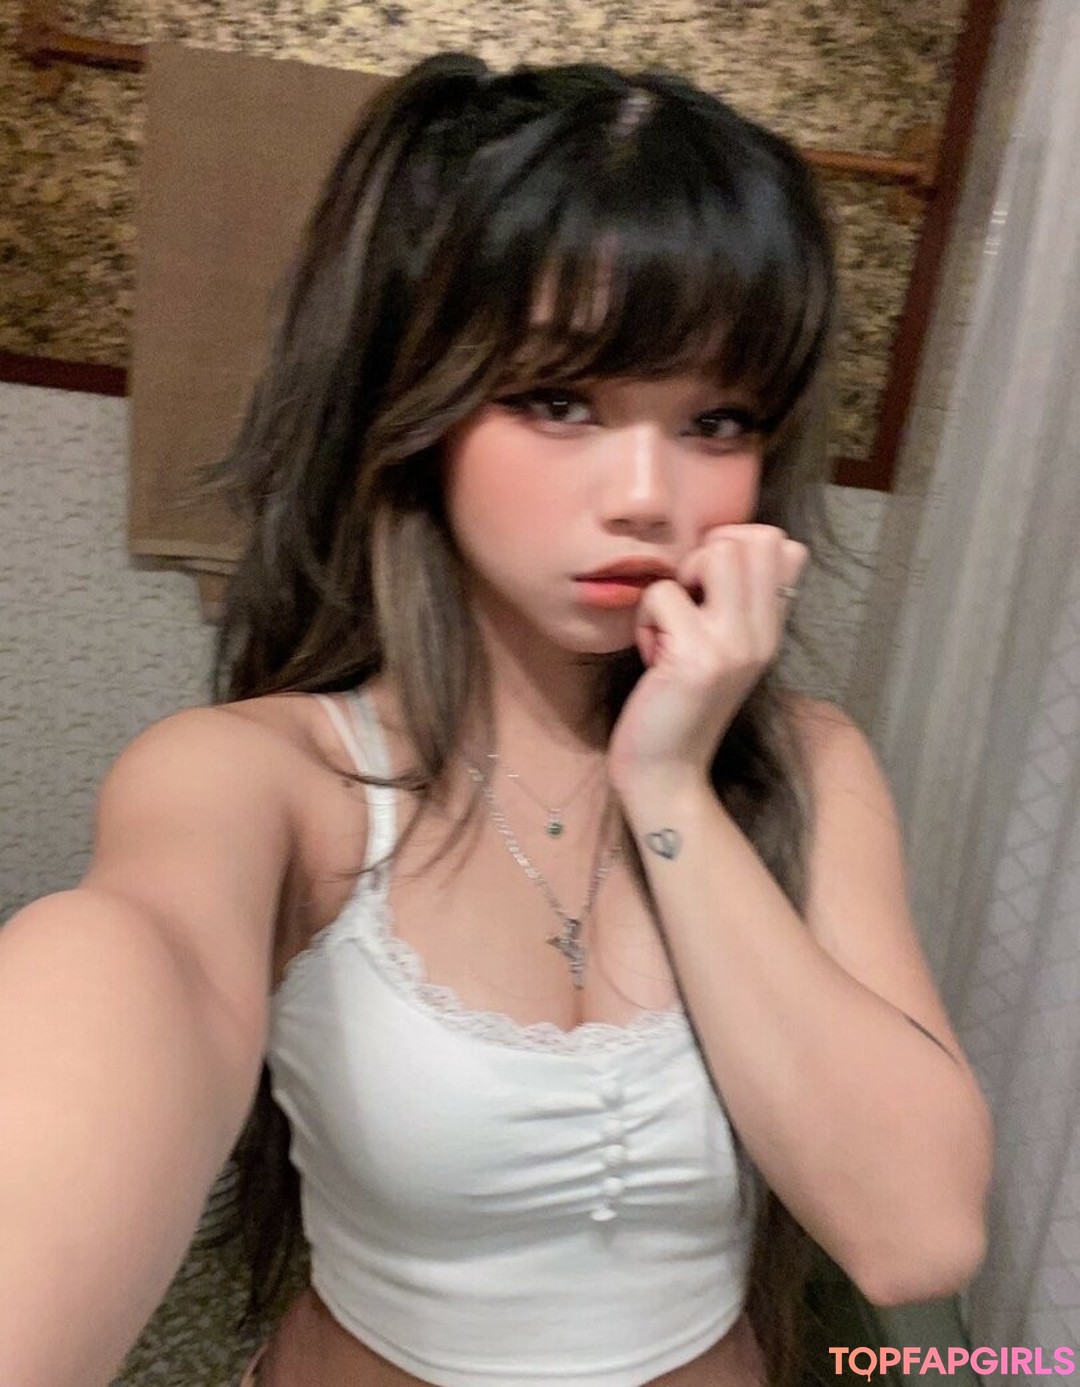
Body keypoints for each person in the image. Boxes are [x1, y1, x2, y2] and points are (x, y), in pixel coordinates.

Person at [0, 51, 993, 1387]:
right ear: (414, 404)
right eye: (556, 401)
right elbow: (119, 979)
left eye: (717, 420)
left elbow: (917, 1236)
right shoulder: (261, 782)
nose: (646, 496)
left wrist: (672, 786)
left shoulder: (808, 765)